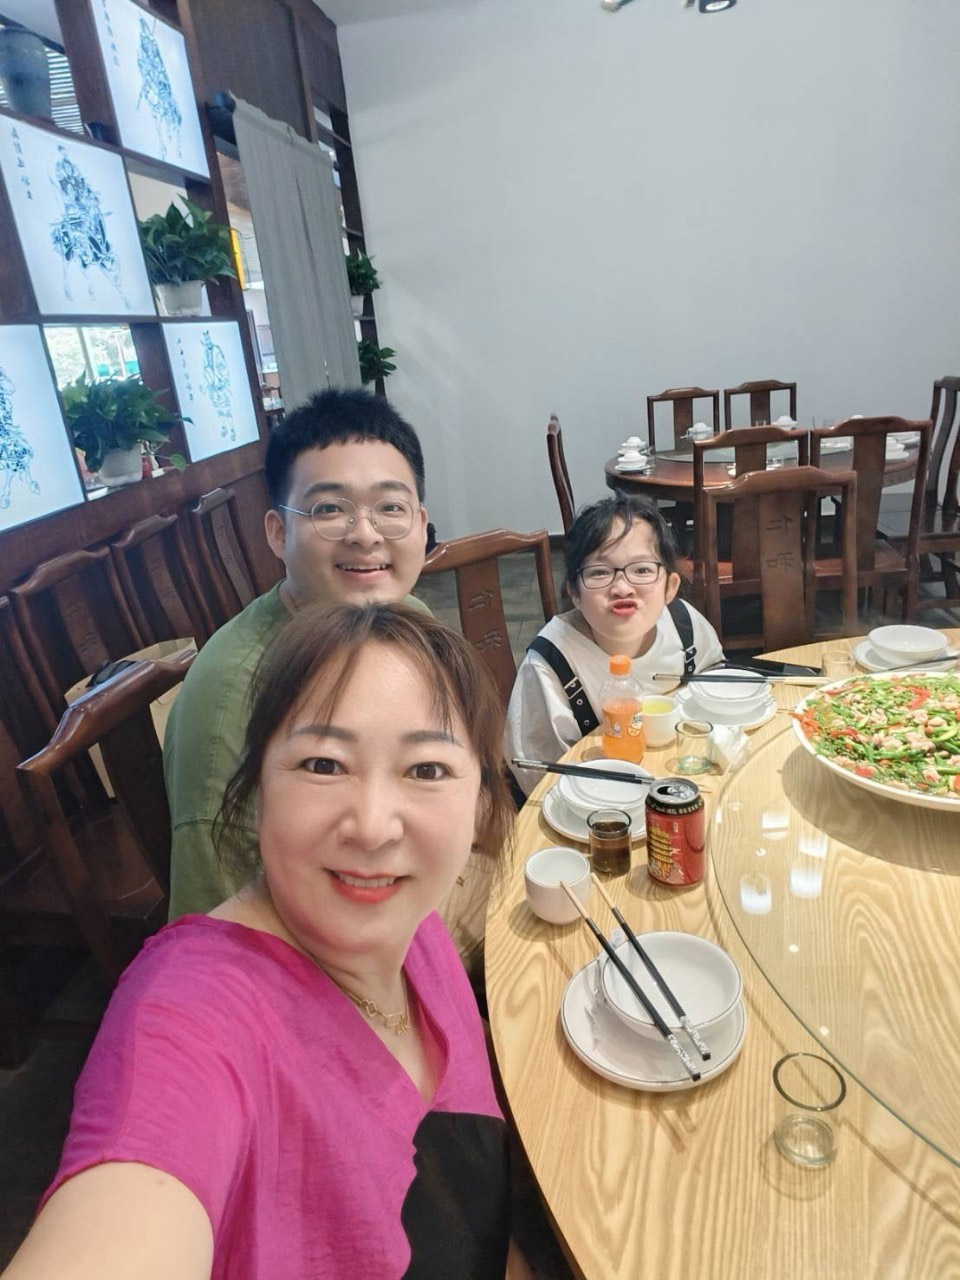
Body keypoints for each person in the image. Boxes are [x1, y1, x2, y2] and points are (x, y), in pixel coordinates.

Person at [4, 604, 528, 1280]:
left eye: (426, 770)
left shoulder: (413, 926)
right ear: (257, 787)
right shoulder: (191, 1017)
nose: (373, 827)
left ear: (481, 797)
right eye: (323, 763)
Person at [164, 387, 431, 919]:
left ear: (421, 525)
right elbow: (215, 925)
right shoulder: (234, 697)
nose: (365, 534)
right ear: (277, 532)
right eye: (329, 509)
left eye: (390, 508)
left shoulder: (409, 617)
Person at [505, 495, 724, 793]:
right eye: (599, 572)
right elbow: (540, 777)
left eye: (642, 570)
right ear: (574, 593)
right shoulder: (551, 664)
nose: (622, 588)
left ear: (670, 587)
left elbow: (716, 699)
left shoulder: (685, 625)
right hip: (599, 802)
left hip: (688, 779)